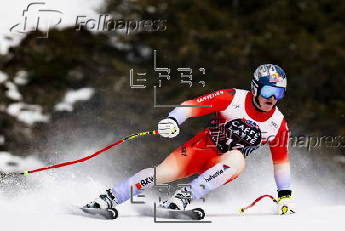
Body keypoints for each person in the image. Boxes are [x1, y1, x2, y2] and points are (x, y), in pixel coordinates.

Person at [84, 64, 294, 214]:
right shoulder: (233, 98)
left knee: (238, 160)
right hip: (199, 149)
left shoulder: (278, 123)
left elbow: (281, 162)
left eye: (279, 93)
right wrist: (173, 120)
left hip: (222, 164)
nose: (272, 98)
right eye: (268, 91)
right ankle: (111, 196)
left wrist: (284, 196)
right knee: (161, 174)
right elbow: (191, 105)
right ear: (256, 87)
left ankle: (185, 196)